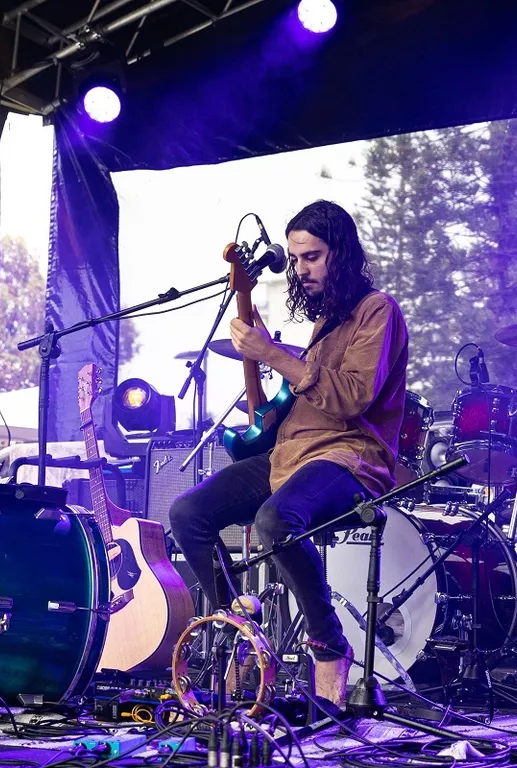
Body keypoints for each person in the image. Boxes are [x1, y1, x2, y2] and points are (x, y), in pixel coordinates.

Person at [169, 200, 409, 709]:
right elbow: (302, 394)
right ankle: (238, 620)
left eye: (313, 257)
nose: (301, 268)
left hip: (350, 458)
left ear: (341, 254)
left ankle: (328, 642)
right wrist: (267, 358)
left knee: (277, 520)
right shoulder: (327, 320)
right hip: (292, 454)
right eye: (296, 258)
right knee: (187, 512)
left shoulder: (377, 310)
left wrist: (273, 354)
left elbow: (350, 398)